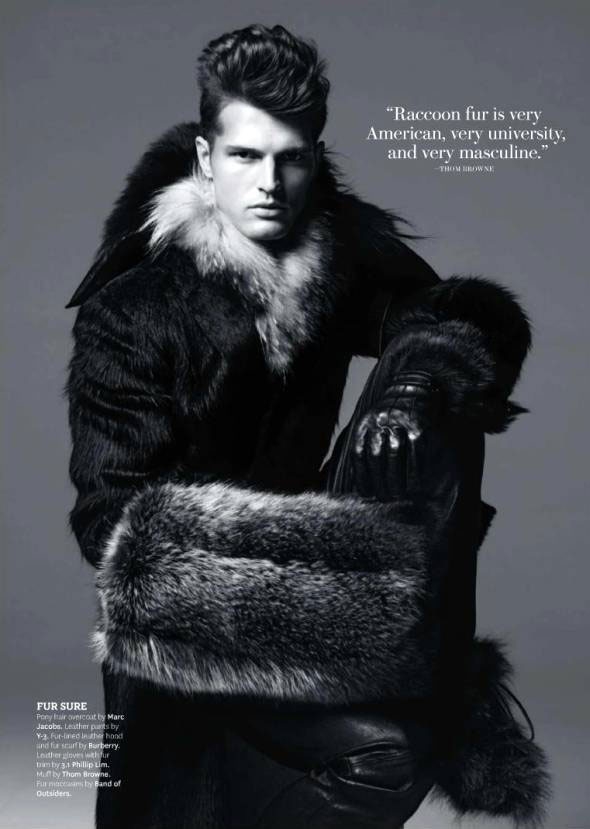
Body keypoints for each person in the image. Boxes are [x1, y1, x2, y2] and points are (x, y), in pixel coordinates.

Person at [66, 23, 548, 829]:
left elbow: (454, 315)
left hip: (337, 577)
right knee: (388, 749)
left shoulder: (333, 258)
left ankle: (420, 666)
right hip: (197, 626)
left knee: (436, 371)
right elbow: (112, 526)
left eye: (290, 158)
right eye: (245, 156)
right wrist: (327, 591)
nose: (270, 183)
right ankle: (413, 669)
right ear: (205, 159)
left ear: (315, 159)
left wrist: (415, 381)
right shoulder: (133, 313)